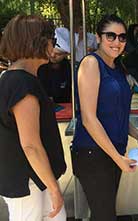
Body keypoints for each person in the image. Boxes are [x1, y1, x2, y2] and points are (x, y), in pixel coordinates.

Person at [71, 14, 138, 221]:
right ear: (98, 37)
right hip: (93, 154)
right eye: (111, 36)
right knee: (105, 216)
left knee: (104, 214)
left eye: (122, 37)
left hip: (113, 153)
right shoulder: (91, 64)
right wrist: (118, 158)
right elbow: (89, 119)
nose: (117, 42)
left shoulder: (117, 67)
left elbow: (117, 112)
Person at [0, 15, 67, 220]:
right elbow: (31, 145)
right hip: (26, 181)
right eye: (52, 40)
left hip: (35, 179)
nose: (54, 46)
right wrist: (54, 189)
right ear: (37, 41)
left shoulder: (18, 78)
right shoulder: (21, 82)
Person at [38, 28, 71, 103]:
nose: (52, 55)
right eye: (51, 51)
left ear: (66, 54)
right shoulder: (40, 66)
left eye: (58, 54)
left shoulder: (68, 68)